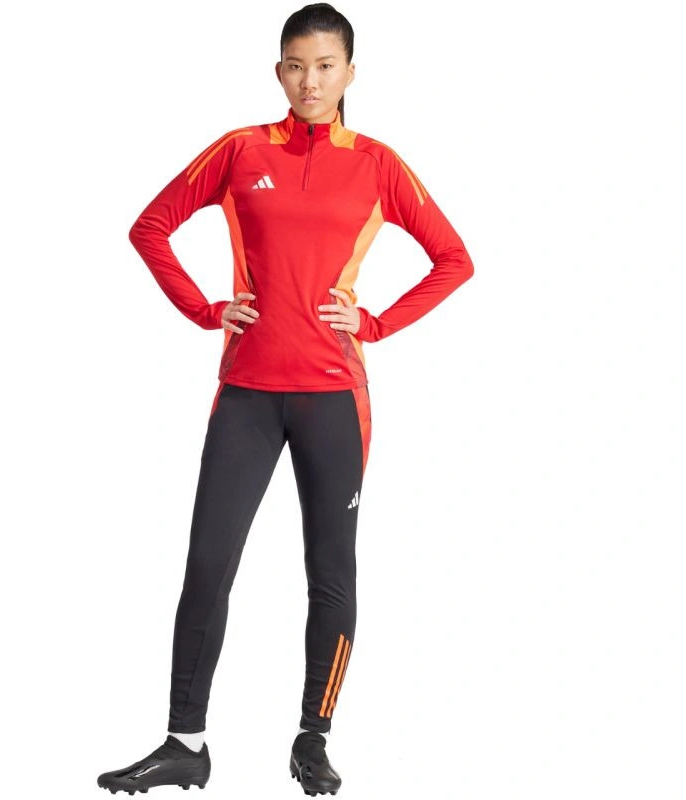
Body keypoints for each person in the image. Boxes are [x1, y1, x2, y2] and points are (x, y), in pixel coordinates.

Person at [97, 3, 474, 795]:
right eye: (296, 66)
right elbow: (150, 227)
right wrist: (206, 309)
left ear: (350, 73)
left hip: (335, 399)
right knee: (208, 565)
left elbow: (453, 259)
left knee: (331, 574)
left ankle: (313, 737)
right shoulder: (240, 151)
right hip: (247, 394)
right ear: (279, 71)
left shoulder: (378, 165)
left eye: (325, 66)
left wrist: (375, 323)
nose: (310, 81)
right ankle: (185, 742)